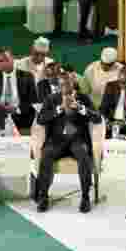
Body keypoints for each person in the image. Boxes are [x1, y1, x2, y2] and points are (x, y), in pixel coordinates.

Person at [34, 74, 102, 213]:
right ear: (58, 86)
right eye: (62, 85)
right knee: (46, 155)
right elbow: (40, 119)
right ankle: (43, 197)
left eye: (68, 84)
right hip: (57, 140)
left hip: (77, 140)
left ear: (73, 84)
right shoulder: (51, 99)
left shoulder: (83, 98)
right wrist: (58, 109)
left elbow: (97, 118)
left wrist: (81, 109)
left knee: (84, 156)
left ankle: (85, 197)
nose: (65, 87)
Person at [0, 48, 38, 136]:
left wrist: (16, 109)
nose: (3, 63)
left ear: (13, 59)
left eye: (6, 59)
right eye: (0, 61)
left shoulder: (27, 76)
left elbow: (34, 101)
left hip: (22, 117)